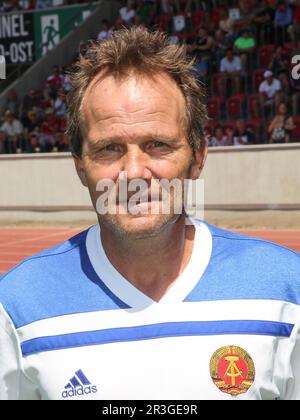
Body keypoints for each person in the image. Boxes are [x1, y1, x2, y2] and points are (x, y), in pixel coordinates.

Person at [0, 26, 299, 401]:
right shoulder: (15, 307)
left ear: (198, 156)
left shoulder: (287, 292)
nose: (135, 173)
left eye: (157, 145)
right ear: (79, 166)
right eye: (109, 148)